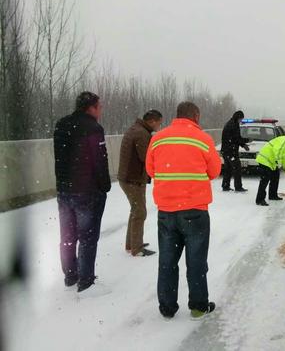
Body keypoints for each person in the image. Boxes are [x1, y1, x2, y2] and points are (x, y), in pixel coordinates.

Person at [145, 101, 221, 319]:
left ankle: (167, 307)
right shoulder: (204, 139)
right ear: (195, 116)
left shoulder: (157, 139)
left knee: (167, 261)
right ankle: (198, 306)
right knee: (196, 261)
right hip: (195, 211)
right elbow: (214, 171)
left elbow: (150, 169)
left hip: (166, 211)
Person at [53, 91, 111, 293]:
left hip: (64, 190)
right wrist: (105, 186)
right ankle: (85, 282)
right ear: (91, 108)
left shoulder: (61, 124)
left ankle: (70, 275)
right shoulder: (93, 128)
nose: (101, 110)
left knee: (67, 235)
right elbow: (99, 161)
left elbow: (59, 157)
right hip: (86, 192)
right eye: (99, 106)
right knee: (87, 237)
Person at [118, 109, 163, 257]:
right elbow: (147, 158)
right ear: (152, 121)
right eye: (159, 123)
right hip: (133, 179)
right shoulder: (142, 134)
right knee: (139, 212)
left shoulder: (136, 129)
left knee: (135, 210)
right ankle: (136, 248)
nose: (159, 127)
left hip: (130, 178)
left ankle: (132, 243)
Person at [255, 130, 285, 206]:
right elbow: (277, 151)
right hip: (265, 160)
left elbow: (284, 158)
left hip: (272, 162)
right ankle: (260, 200)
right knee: (264, 180)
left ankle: (273, 195)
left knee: (275, 177)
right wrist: (278, 162)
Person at [220, 110, 250, 192]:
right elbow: (236, 139)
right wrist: (246, 141)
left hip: (226, 151)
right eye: (241, 119)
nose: (241, 121)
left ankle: (225, 186)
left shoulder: (230, 123)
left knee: (228, 169)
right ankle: (238, 187)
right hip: (231, 151)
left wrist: (243, 145)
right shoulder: (233, 125)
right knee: (237, 169)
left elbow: (234, 139)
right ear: (238, 118)